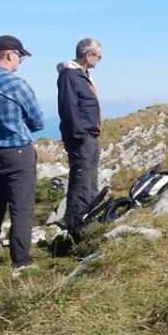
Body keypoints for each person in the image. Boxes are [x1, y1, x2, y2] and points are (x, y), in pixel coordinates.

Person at [0, 34, 45, 273]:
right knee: (21, 208)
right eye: (20, 56)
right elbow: (38, 121)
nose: (20, 60)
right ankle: (21, 260)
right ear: (10, 54)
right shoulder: (17, 84)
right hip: (18, 151)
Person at [57, 37, 104, 238]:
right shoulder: (70, 76)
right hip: (82, 138)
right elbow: (69, 107)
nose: (100, 60)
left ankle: (89, 217)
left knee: (90, 180)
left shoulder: (82, 75)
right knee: (81, 179)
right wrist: (80, 135)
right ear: (89, 55)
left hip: (90, 136)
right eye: (99, 56)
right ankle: (76, 223)